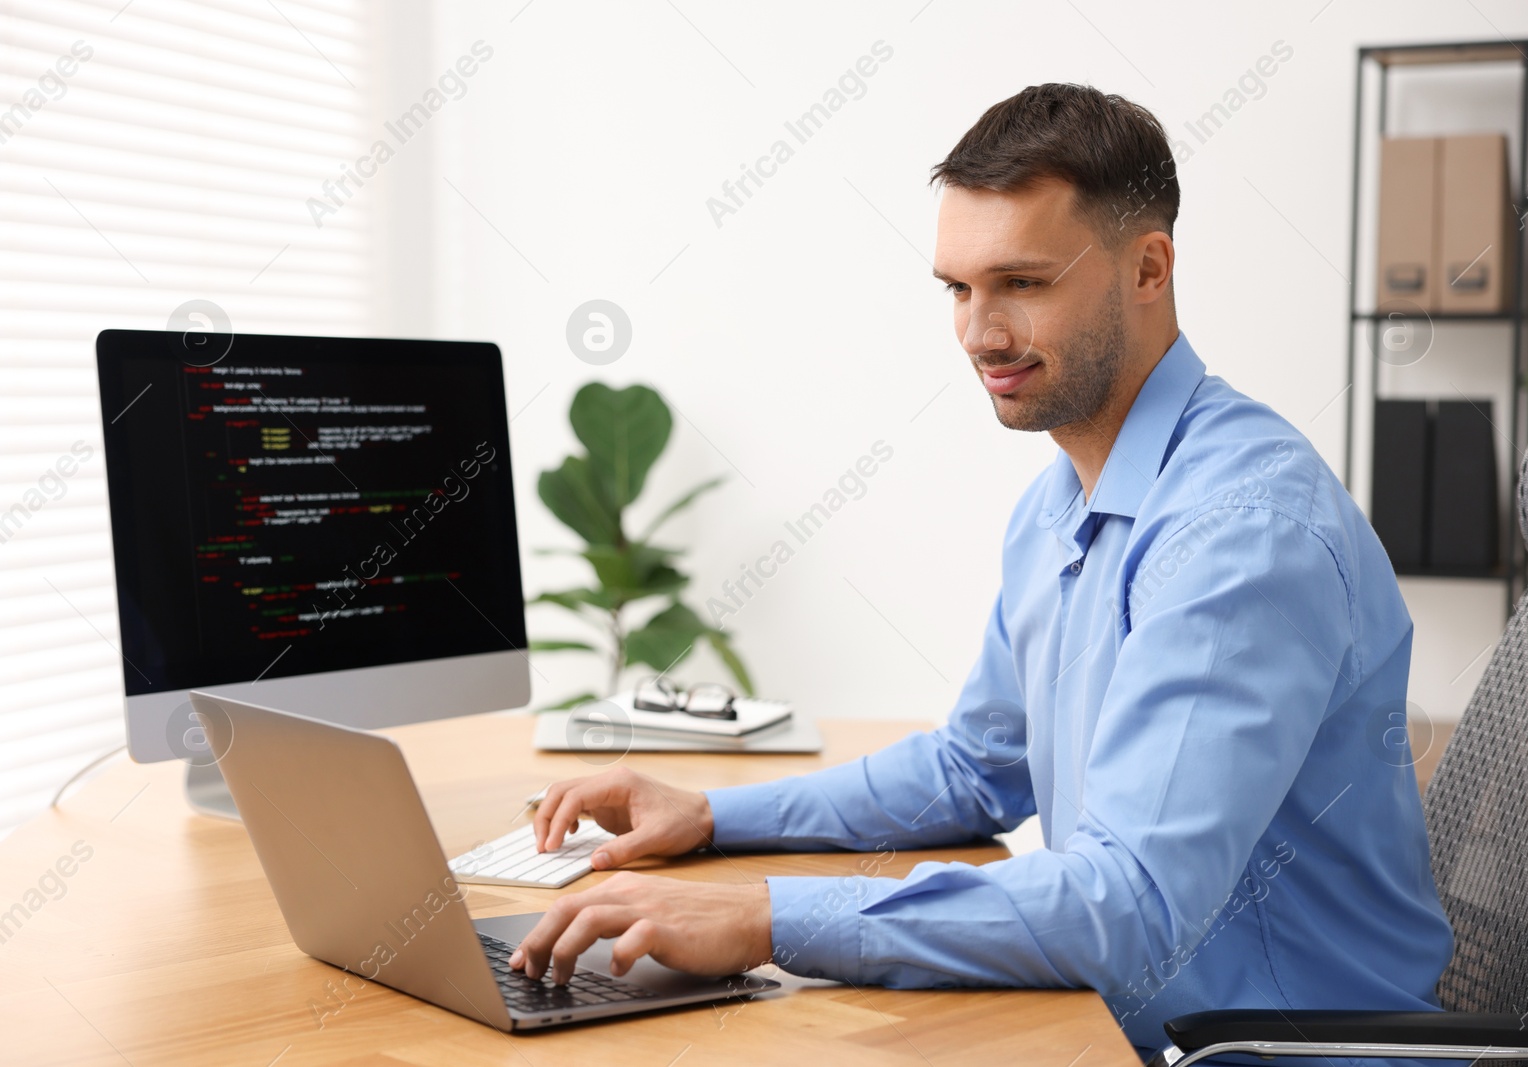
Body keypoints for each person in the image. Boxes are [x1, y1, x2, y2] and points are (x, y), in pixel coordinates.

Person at [507, 83, 1454, 1057]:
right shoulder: (1059, 503)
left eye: (1022, 283)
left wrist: (763, 916)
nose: (978, 333)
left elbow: (1129, 902)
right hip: (1129, 1024)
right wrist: (708, 814)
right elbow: (971, 769)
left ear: (1147, 269)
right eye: (957, 288)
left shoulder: (1240, 534)